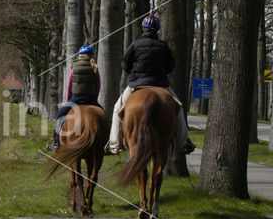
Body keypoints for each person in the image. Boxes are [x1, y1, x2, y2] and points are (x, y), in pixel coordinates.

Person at [105, 14, 195, 155]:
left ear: (143, 28)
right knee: (179, 108)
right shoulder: (163, 46)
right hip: (160, 85)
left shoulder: (135, 44)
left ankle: (114, 144)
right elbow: (171, 66)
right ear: (157, 29)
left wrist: (132, 72)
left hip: (137, 84)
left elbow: (125, 64)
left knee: (117, 109)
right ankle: (184, 143)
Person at [46, 44, 103, 151]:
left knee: (59, 116)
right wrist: (94, 99)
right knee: (104, 117)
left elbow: (69, 86)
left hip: (76, 99)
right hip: (90, 99)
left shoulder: (74, 67)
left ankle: (57, 142)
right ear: (91, 56)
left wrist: (69, 101)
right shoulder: (95, 67)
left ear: (80, 55)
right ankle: (105, 143)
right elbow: (98, 85)